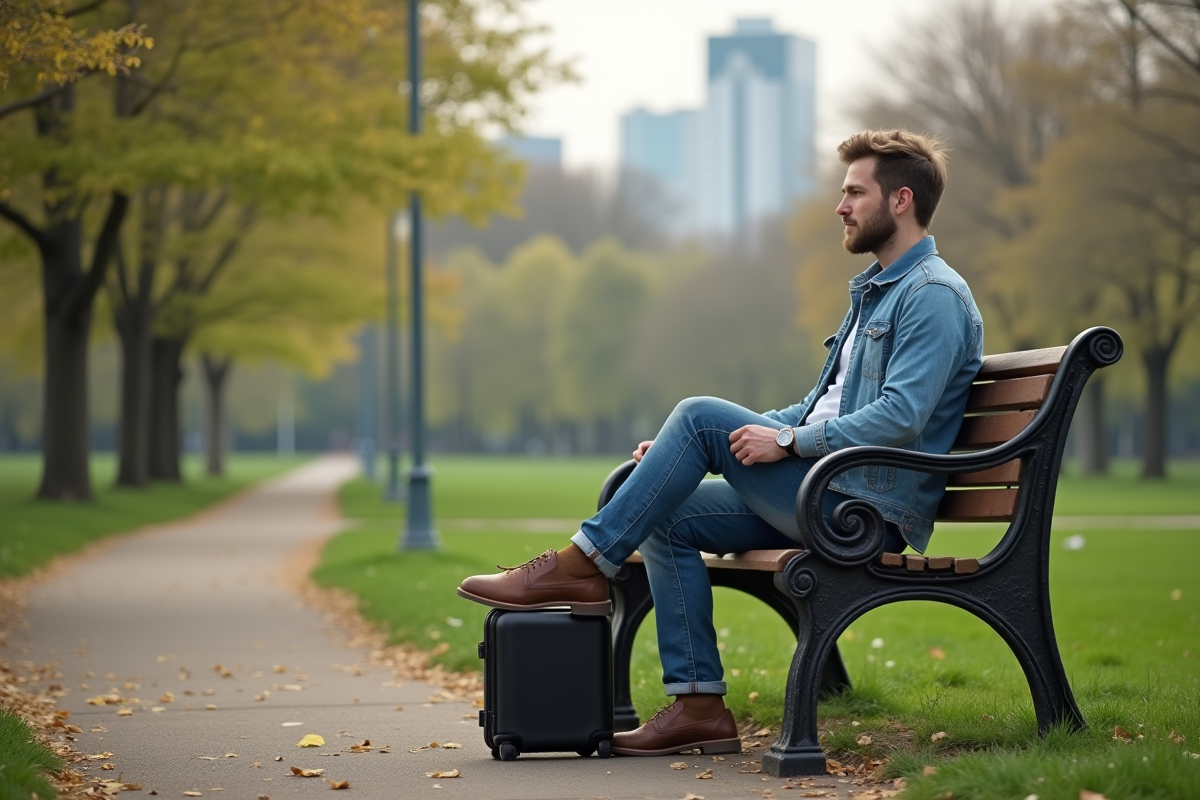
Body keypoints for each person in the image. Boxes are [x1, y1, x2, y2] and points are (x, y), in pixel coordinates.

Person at [457, 129, 984, 757]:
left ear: (900, 200)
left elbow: (901, 416)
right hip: (828, 490)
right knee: (667, 515)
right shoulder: (879, 290)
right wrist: (702, 447)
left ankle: (580, 566)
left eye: (853, 193)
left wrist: (784, 441)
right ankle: (698, 706)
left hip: (861, 509)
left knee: (698, 414)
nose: (840, 207)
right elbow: (819, 406)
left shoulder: (933, 296)